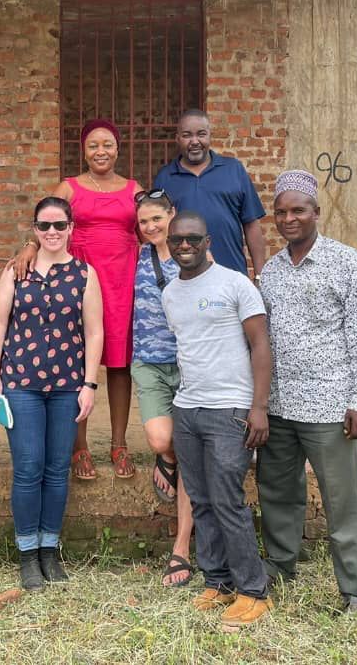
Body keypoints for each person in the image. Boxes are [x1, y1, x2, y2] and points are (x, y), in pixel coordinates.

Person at [257, 169, 357, 615]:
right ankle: (279, 564)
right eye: (281, 212)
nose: (289, 219)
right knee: (277, 491)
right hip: (279, 404)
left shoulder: (347, 263)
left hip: (331, 405)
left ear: (316, 212)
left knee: (343, 498)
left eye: (298, 210)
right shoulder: (271, 272)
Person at [162, 211, 274, 629]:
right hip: (188, 408)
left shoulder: (234, 283)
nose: (184, 246)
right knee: (202, 498)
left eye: (193, 239)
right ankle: (218, 581)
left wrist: (257, 407)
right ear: (170, 243)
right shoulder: (170, 292)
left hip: (230, 408)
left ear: (208, 241)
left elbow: (260, 343)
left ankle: (254, 592)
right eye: (177, 240)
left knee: (227, 499)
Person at [0, 196, 104, 591]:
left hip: (68, 385)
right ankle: (27, 553)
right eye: (44, 226)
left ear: (71, 228)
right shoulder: (16, 272)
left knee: (56, 469)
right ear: (34, 230)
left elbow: (93, 331)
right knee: (28, 467)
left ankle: (49, 548)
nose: (52, 232)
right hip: (20, 383)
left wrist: (89, 384)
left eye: (59, 225)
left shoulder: (85, 275)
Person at [13, 119, 141, 481]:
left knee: (119, 363)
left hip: (121, 279)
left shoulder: (134, 189)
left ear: (118, 148)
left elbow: (149, 227)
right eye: (93, 146)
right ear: (83, 151)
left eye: (108, 145)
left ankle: (119, 444)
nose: (101, 151)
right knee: (75, 361)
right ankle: (79, 447)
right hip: (78, 277)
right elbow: (46, 220)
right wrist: (28, 246)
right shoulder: (69, 187)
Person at [130, 188, 194, 588]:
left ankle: (181, 546)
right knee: (159, 439)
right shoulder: (136, 257)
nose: (151, 226)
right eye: (143, 222)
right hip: (149, 363)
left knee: (189, 451)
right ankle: (165, 460)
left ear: (172, 214)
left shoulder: (197, 257)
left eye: (157, 218)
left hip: (190, 366)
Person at [153, 109, 267, 278]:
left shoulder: (234, 169)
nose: (195, 141)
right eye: (187, 135)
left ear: (210, 136)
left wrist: (259, 276)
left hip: (231, 275)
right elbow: (159, 232)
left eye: (201, 134)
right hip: (183, 279)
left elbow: (251, 226)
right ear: (177, 139)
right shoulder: (165, 177)